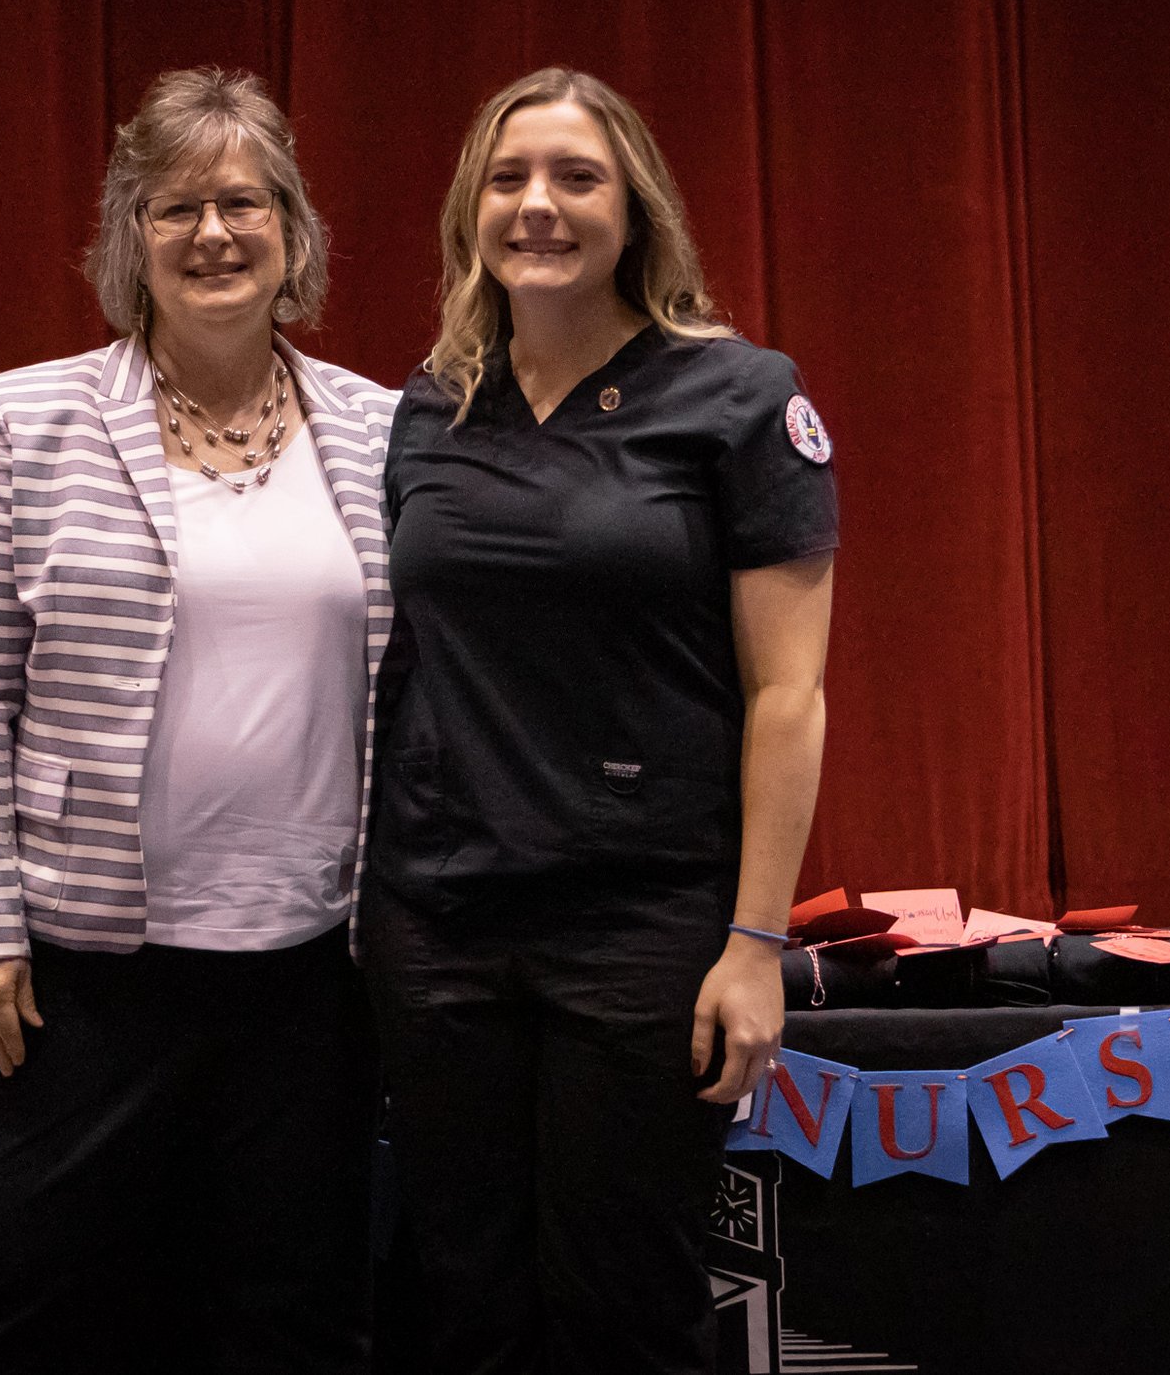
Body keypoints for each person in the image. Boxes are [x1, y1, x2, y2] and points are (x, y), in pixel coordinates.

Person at [0, 67, 398, 1375]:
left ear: (292, 232)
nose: (214, 233)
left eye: (244, 201)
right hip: (79, 974)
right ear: (131, 237)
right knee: (22, 1321)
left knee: (294, 1323)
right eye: (176, 206)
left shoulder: (383, 431)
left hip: (314, 973)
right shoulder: (26, 418)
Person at [366, 67, 839, 1374]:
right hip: (439, 925)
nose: (540, 206)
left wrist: (755, 941)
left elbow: (788, 696)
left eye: (577, 178)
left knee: (620, 1308)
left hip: (641, 931)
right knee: (461, 1301)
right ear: (475, 209)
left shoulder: (743, 399)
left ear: (636, 210)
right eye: (511, 179)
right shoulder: (429, 405)